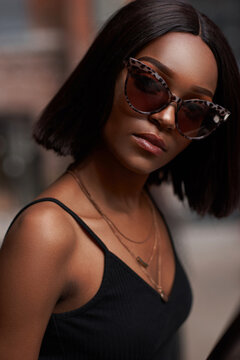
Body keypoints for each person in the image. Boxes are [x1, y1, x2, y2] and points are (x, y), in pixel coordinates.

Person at [0, 0, 239, 359]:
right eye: (150, 84)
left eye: (193, 110)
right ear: (106, 73)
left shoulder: (148, 202)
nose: (168, 119)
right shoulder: (46, 233)